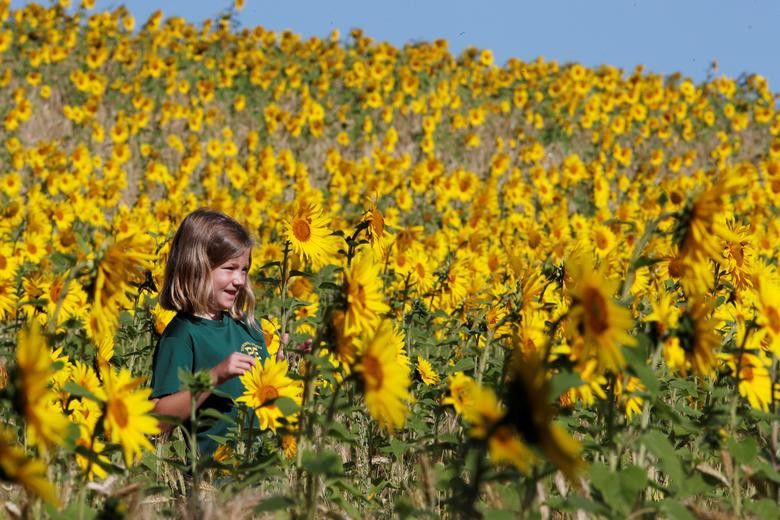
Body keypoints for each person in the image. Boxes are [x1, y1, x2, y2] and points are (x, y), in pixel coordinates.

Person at [150, 208, 269, 458]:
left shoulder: (247, 328)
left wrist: (290, 362)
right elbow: (159, 420)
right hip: (215, 483)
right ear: (196, 267)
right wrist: (213, 377)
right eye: (229, 268)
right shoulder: (182, 335)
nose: (239, 280)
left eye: (244, 269)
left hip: (266, 472)